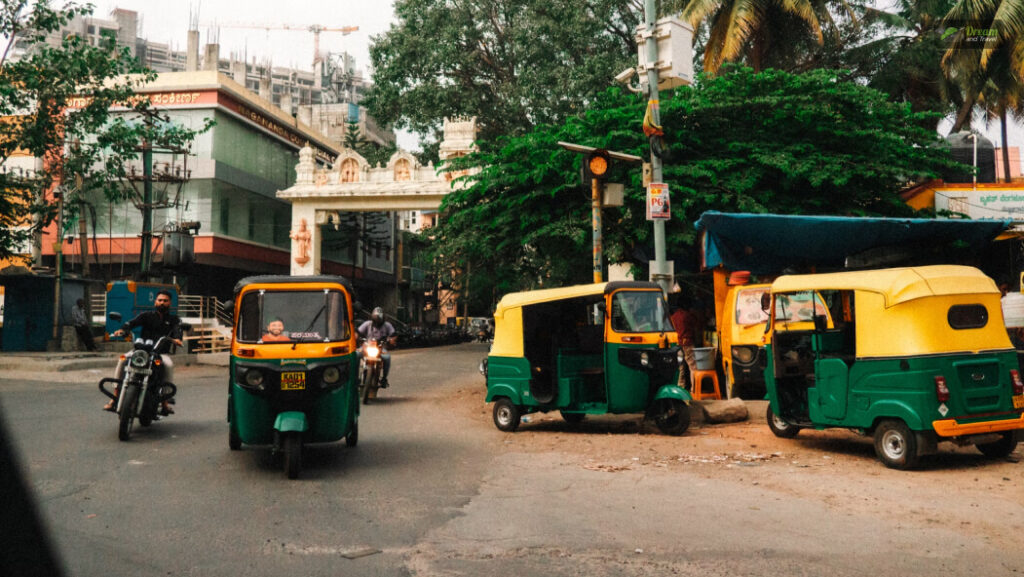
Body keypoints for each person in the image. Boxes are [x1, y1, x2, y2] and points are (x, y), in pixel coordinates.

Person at [104, 290, 183, 413]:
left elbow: (177, 330)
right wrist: (123, 330)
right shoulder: (146, 315)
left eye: (165, 301)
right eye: (160, 300)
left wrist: (177, 339)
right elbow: (132, 323)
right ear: (155, 302)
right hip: (141, 350)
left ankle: (164, 402)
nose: (162, 303)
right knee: (123, 360)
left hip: (160, 353)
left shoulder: (174, 319)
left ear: (170, 303)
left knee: (168, 365)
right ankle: (114, 398)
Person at [357, 307, 397, 387]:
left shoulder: (387, 325)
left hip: (381, 348)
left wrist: (392, 340)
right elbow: (357, 332)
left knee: (387, 358)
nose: (377, 322)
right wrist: (356, 337)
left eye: (379, 320)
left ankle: (384, 378)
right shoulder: (367, 324)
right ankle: (355, 377)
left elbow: (394, 335)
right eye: (376, 320)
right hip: (367, 347)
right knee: (356, 355)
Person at [670, 294, 700, 389]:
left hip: (678, 343)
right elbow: (696, 326)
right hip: (688, 343)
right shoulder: (687, 315)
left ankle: (680, 387)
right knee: (693, 367)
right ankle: (694, 389)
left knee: (681, 368)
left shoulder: (673, 317)